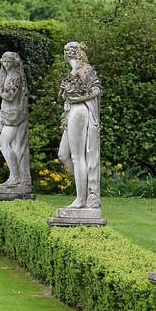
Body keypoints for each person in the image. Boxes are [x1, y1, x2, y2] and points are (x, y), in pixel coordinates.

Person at [57, 42, 101, 209]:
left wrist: (77, 98)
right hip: (71, 111)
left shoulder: (86, 69)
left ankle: (81, 199)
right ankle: (85, 188)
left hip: (80, 111)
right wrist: (64, 92)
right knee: (63, 154)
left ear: (68, 54)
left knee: (77, 157)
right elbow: (65, 96)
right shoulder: (74, 72)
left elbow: (96, 89)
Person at [0, 51, 30, 189]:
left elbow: (10, 97)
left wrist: (0, 93)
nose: (6, 64)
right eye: (4, 61)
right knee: (11, 145)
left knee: (3, 144)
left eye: (9, 61)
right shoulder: (7, 75)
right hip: (6, 113)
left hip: (13, 116)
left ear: (14, 63)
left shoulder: (15, 77)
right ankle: (14, 176)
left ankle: (15, 176)